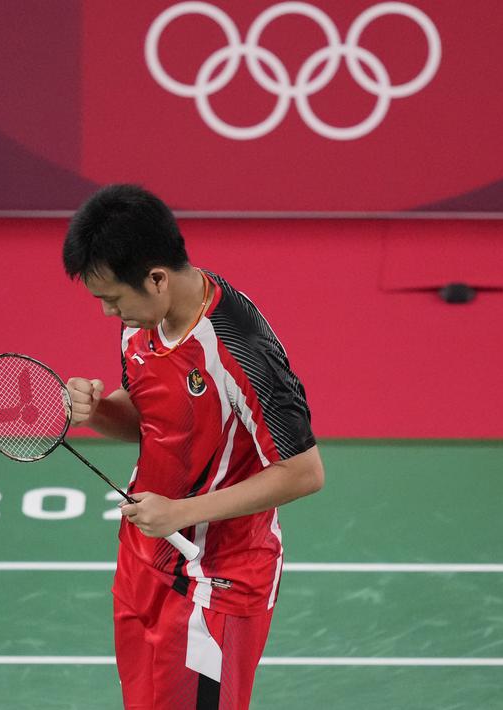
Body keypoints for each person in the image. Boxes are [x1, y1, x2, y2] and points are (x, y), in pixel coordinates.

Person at [61, 184, 324, 710]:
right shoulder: (140, 326)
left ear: (156, 278)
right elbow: (153, 421)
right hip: (143, 560)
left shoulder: (240, 347)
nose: (108, 313)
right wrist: (97, 412)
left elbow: (303, 472)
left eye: (113, 299)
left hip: (217, 583)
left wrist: (182, 512)